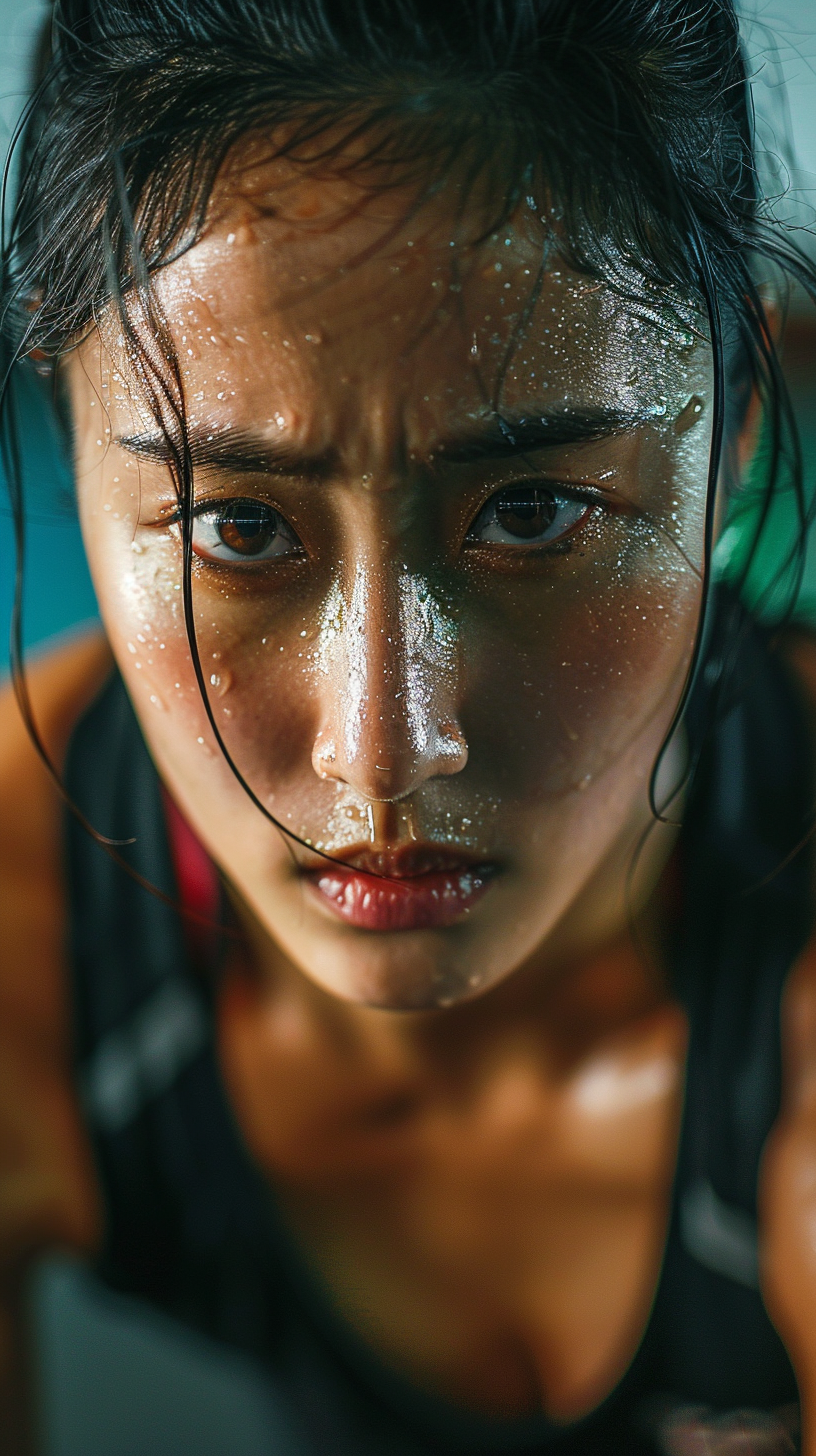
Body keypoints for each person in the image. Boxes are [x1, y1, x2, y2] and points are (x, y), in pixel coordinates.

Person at [2, 0, 816, 1451]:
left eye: (534, 512)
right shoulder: (25, 924)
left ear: (743, 416)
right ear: (59, 417)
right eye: (236, 526)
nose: (384, 751)